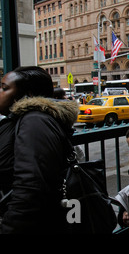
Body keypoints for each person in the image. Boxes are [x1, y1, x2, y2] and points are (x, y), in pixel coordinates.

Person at [0, 66, 79, 233]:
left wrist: (9, 227)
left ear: (27, 95)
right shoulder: (21, 121)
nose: (0, 91)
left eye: (4, 88)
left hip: (35, 224)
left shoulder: (34, 122)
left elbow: (31, 186)